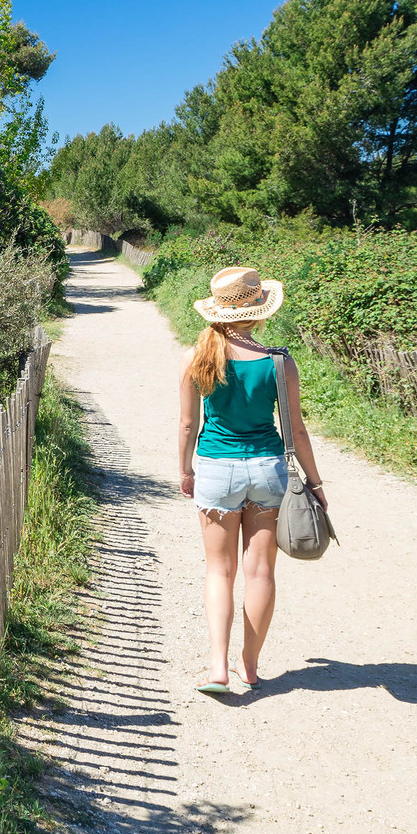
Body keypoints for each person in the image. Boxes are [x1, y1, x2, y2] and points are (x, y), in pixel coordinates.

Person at [177, 265, 327, 698]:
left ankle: (217, 667)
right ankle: (251, 665)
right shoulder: (279, 361)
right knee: (260, 571)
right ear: (259, 313)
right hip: (268, 471)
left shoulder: (197, 358)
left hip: (217, 471)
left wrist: (185, 471)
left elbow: (188, 425)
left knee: (218, 571)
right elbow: (296, 431)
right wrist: (315, 484)